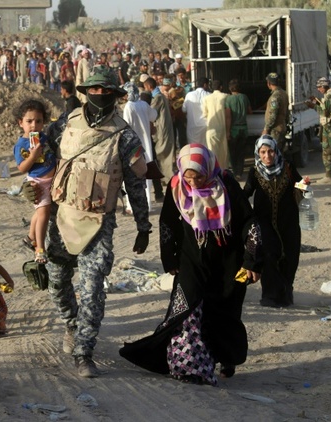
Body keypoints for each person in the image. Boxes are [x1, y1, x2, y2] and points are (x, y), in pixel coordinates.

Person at [119, 143, 263, 385]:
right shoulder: (176, 187)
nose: (194, 183)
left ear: (208, 170)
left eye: (198, 177)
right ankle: (190, 367)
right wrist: (169, 258)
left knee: (227, 310)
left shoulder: (226, 184)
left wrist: (252, 262)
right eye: (189, 178)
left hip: (233, 265)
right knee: (186, 311)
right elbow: (168, 223)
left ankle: (225, 357)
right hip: (191, 261)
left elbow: (250, 223)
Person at [42, 66, 152, 378]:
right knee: (57, 283)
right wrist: (37, 184)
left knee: (92, 288)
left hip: (99, 222)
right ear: (86, 92)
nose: (100, 95)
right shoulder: (66, 122)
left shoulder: (125, 135)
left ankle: (84, 351)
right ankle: (72, 323)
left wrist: (143, 226)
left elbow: (135, 183)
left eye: (106, 91)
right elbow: (44, 151)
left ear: (116, 96)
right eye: (95, 90)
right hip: (62, 217)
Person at [244, 135, 304, 308]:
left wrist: (305, 185)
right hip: (265, 223)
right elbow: (247, 191)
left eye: (270, 151)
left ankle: (286, 293)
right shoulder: (255, 171)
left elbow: (300, 185)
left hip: (289, 223)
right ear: (258, 153)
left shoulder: (288, 167)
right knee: (269, 256)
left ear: (275, 151)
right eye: (263, 152)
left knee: (290, 257)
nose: (267, 156)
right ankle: (269, 296)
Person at [13, 99, 57, 263]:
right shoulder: (22, 145)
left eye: (38, 121)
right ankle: (40, 248)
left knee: (39, 214)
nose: (34, 125)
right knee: (44, 214)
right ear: (20, 123)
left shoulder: (44, 137)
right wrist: (32, 156)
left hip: (53, 180)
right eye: (29, 121)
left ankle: (31, 237)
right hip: (38, 183)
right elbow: (22, 168)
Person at [122, 82, 157, 212]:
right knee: (146, 173)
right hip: (146, 144)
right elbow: (154, 116)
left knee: (131, 175)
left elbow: (127, 126)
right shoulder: (144, 104)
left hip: (133, 146)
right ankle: (147, 203)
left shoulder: (129, 107)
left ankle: (132, 206)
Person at [144, 77, 175, 200]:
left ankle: (169, 180)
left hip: (162, 131)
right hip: (163, 130)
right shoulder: (160, 96)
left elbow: (151, 113)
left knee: (163, 156)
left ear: (148, 87)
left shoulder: (157, 98)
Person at [306, 77, 331, 183]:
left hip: (330, 127)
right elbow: (327, 108)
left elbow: (326, 112)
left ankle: (329, 176)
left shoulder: (330, 95)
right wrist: (317, 102)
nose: (318, 89)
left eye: (319, 87)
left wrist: (313, 106)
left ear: (324, 86)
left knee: (328, 151)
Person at [225, 79, 252, 178]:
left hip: (234, 130)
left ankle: (235, 171)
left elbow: (228, 117)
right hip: (244, 129)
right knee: (241, 152)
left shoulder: (228, 99)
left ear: (229, 88)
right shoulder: (244, 97)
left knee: (233, 152)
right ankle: (239, 173)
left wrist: (228, 132)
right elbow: (250, 111)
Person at [202, 79, 229, 170]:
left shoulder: (207, 98)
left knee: (212, 150)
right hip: (222, 127)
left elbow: (204, 114)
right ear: (221, 87)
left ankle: (214, 169)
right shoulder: (226, 96)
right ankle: (223, 169)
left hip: (211, 128)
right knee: (223, 150)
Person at [262, 72, 288, 152]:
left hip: (275, 130)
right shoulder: (284, 93)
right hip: (282, 127)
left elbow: (273, 115)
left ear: (269, 83)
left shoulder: (275, 97)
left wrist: (266, 129)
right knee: (279, 153)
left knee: (274, 153)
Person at [182, 77, 210, 144]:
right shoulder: (209, 95)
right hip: (205, 127)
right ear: (205, 85)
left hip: (192, 128)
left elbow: (183, 109)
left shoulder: (189, 95)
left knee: (194, 150)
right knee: (205, 150)